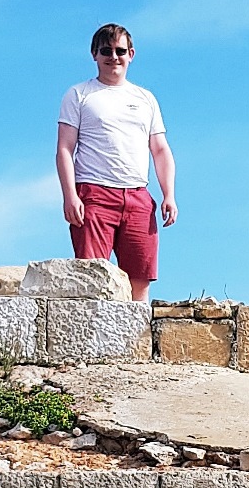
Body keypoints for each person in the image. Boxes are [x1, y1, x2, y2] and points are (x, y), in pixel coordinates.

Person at [56, 24, 176, 303]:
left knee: (140, 282)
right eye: (106, 51)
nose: (114, 57)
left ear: (131, 54)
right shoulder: (79, 94)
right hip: (94, 195)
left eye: (120, 51)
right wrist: (69, 196)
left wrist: (168, 194)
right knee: (92, 281)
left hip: (137, 197)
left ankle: (136, 345)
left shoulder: (145, 99)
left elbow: (160, 149)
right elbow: (64, 148)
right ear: (94, 54)